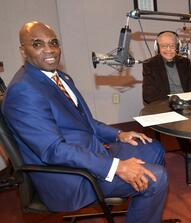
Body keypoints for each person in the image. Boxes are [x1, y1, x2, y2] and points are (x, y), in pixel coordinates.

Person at [1, 21, 170, 223]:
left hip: (90, 152)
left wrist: (119, 134)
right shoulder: (24, 91)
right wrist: (117, 167)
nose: (49, 50)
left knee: (154, 148)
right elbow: (54, 151)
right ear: (23, 50)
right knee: (157, 178)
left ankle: (142, 208)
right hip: (71, 177)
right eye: (37, 44)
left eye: (53, 43)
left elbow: (86, 122)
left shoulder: (60, 77)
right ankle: (144, 196)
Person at [142, 31, 191, 184]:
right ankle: (189, 157)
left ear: (178, 46)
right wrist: (173, 102)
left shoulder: (184, 63)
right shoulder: (149, 65)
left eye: (172, 46)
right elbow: (148, 95)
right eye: (164, 46)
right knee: (182, 124)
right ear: (157, 47)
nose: (168, 49)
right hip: (167, 104)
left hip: (187, 102)